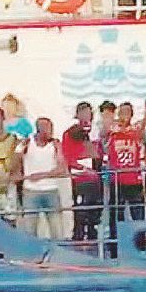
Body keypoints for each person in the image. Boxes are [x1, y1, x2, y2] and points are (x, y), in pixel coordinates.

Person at [19, 117, 67, 240]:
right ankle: (31, 255)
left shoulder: (55, 145)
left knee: (57, 231)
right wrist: (20, 148)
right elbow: (14, 163)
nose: (50, 131)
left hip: (51, 190)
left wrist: (41, 175)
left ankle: (59, 254)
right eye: (46, 128)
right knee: (30, 230)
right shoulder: (27, 143)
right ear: (38, 129)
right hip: (31, 191)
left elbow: (62, 169)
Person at [62, 103, 103, 246]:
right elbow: (67, 155)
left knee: (95, 207)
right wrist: (81, 166)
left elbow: (99, 152)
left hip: (96, 177)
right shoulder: (71, 133)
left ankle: (93, 235)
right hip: (80, 177)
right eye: (83, 112)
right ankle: (78, 236)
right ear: (77, 114)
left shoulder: (97, 132)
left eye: (89, 112)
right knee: (80, 208)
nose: (87, 115)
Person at [105, 101, 146, 226]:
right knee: (116, 215)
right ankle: (115, 242)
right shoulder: (112, 132)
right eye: (122, 112)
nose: (125, 114)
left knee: (138, 215)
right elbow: (103, 138)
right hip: (116, 179)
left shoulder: (136, 131)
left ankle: (139, 242)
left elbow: (142, 136)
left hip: (134, 180)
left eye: (128, 111)